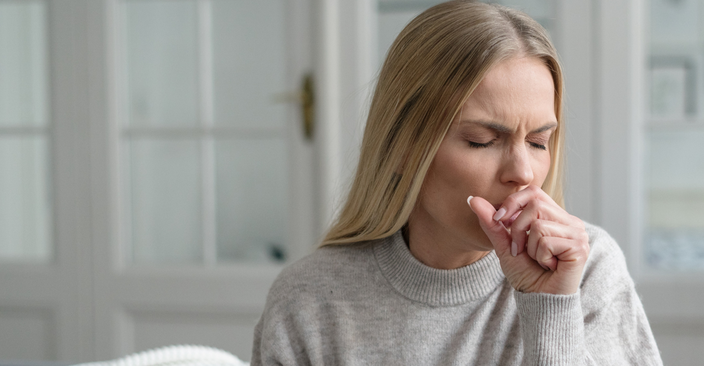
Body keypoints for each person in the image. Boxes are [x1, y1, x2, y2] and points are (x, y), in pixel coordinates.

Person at [252, 1, 662, 364]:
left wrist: (550, 307)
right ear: (403, 148)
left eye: (538, 141)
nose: (522, 172)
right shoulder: (308, 301)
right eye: (481, 141)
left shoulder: (587, 271)